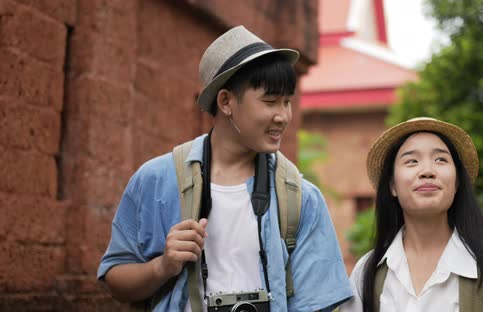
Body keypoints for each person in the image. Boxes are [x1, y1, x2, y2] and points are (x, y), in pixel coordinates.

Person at [97, 25, 352, 312]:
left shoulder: (300, 196)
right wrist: (163, 266)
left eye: (287, 102)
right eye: (270, 102)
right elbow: (115, 279)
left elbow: (318, 303)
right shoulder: (156, 180)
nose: (282, 116)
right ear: (226, 101)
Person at [340, 117, 483, 311]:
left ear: (458, 182)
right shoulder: (367, 273)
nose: (427, 171)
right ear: (392, 186)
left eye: (441, 159)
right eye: (411, 161)